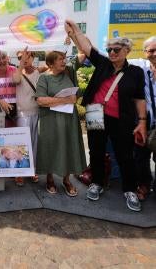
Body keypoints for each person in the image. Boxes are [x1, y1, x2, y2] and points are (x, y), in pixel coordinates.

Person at [65, 19, 147, 212]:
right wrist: (76, 30)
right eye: (109, 49)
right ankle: (97, 183)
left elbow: (139, 98)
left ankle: (129, 189)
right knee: (96, 150)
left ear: (127, 50)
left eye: (116, 50)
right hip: (95, 113)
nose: (111, 53)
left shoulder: (135, 72)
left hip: (122, 118)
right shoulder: (103, 63)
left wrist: (142, 121)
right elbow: (86, 47)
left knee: (125, 155)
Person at [35, 50, 86, 197]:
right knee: (51, 146)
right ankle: (50, 179)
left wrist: (72, 33)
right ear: (50, 64)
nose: (63, 61)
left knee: (69, 146)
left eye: (64, 59)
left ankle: (67, 180)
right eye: (59, 59)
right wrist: (65, 100)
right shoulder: (44, 78)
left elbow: (85, 52)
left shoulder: (69, 70)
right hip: (50, 119)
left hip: (69, 119)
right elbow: (40, 100)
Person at [12, 48, 47, 185]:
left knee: (34, 143)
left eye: (27, 56)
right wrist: (21, 65)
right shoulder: (18, 72)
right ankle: (20, 172)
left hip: (37, 112)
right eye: (21, 57)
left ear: (33, 57)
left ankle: (32, 170)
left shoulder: (39, 71)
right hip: (22, 113)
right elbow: (15, 80)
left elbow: (53, 63)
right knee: (21, 143)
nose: (25, 59)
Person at [130, 36, 156, 200]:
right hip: (143, 122)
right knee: (141, 156)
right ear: (145, 52)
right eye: (151, 50)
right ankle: (144, 185)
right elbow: (112, 58)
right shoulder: (140, 66)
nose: (155, 54)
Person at [0, 50, 18, 128]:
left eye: (3, 57)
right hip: (0, 110)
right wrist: (0, 102)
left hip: (17, 111)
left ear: (7, 58)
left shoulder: (14, 70)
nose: (1, 61)